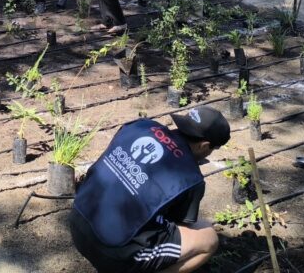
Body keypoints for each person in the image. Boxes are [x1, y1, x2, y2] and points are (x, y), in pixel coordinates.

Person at [70, 107, 231, 273]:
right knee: (208, 239)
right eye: (213, 149)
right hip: (112, 251)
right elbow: (178, 224)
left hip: (77, 220)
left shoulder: (140, 126)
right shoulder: (191, 177)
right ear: (204, 145)